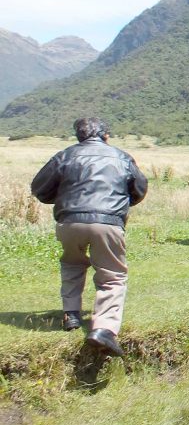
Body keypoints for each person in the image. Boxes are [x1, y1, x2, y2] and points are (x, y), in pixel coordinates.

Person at [30, 118, 148, 357]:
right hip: (107, 222)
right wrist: (121, 206)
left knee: (71, 263)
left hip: (69, 221)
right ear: (105, 135)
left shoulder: (64, 156)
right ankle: (104, 328)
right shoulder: (121, 157)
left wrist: (65, 199)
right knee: (112, 276)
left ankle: (71, 315)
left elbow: (39, 188)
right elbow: (139, 190)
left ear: (79, 136)